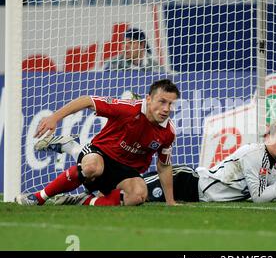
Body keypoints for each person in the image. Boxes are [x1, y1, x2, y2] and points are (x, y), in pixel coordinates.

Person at [41, 120, 276, 204]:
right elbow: (262, 199)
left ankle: (78, 200)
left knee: (123, 199)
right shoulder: (255, 155)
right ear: (268, 137)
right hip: (186, 182)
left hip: (197, 193)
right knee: (121, 192)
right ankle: (73, 148)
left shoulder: (273, 165)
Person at [15, 79, 180, 206]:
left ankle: (82, 200)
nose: (166, 109)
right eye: (162, 101)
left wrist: (170, 202)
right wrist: (54, 117)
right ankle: (39, 197)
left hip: (127, 171)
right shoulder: (128, 109)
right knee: (91, 167)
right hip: (102, 153)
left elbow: (164, 165)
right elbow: (88, 100)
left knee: (138, 196)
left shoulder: (168, 132)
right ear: (149, 99)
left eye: (171, 104)